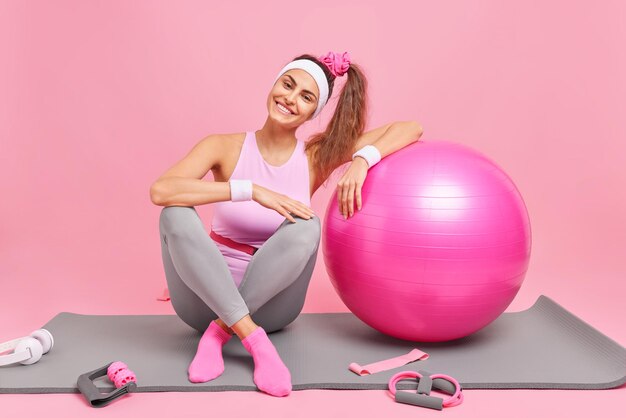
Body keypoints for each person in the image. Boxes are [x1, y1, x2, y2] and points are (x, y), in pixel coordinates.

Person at [149, 51, 423, 397]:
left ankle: (221, 333)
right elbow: (161, 190)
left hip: (273, 307)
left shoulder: (314, 157)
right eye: (288, 85)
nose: (290, 99)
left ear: (315, 111)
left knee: (308, 226)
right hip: (200, 301)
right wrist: (249, 190)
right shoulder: (223, 146)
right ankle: (252, 340)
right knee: (174, 212)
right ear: (275, 84)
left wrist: (361, 161)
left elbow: (411, 128)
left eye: (306, 97)